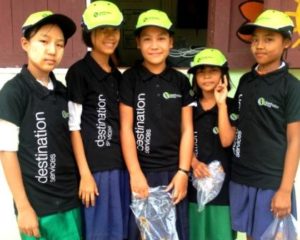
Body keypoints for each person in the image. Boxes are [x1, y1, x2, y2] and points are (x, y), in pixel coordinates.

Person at [0, 11, 81, 240]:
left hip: (70, 202)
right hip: (38, 210)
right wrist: (23, 207)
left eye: (60, 44)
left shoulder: (63, 92)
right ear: (25, 43)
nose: (52, 50)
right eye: (44, 41)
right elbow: (7, 152)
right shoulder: (13, 92)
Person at [119, 9, 195, 240]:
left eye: (161, 38)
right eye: (147, 39)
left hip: (173, 174)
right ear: (138, 43)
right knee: (142, 232)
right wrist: (135, 173)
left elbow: (188, 129)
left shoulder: (180, 81)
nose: (154, 45)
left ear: (171, 42)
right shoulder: (130, 79)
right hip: (141, 172)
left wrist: (183, 171)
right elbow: (126, 128)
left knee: (172, 233)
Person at [229, 9, 300, 240]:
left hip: (272, 182)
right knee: (250, 236)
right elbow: (235, 126)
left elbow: (295, 139)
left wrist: (285, 190)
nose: (259, 45)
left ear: (286, 42)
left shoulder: (291, 87)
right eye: (256, 39)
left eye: (269, 39)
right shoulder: (246, 81)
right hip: (242, 176)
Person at [66, 1, 129, 239]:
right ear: (88, 34)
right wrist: (85, 174)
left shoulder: (117, 76)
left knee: (120, 232)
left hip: (120, 168)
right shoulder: (79, 73)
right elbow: (74, 127)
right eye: (102, 29)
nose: (110, 36)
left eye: (114, 29)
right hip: (95, 172)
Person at [187, 48, 237, 240]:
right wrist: (193, 162)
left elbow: (226, 140)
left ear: (223, 75)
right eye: (201, 71)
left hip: (224, 190)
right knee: (195, 233)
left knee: (220, 235)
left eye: (213, 71)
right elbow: (180, 138)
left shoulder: (232, 105)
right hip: (193, 187)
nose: (206, 76)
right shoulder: (188, 105)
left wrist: (221, 104)